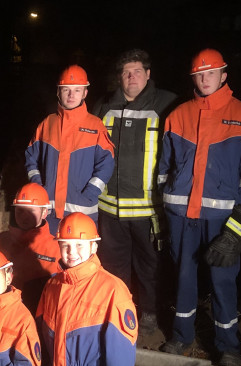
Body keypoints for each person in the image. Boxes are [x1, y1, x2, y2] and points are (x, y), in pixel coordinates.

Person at [158, 49, 241, 366]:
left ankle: (228, 345)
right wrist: (164, 206)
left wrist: (238, 230)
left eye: (211, 73)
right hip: (181, 217)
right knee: (183, 278)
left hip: (222, 219)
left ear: (223, 76)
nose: (204, 79)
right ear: (193, 78)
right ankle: (181, 336)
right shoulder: (178, 114)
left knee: (222, 282)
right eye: (199, 74)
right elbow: (164, 169)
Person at [36, 212, 148, 366]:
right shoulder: (53, 286)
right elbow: (44, 345)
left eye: (79, 245)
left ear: (94, 246)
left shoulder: (112, 289)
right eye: (65, 245)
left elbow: (120, 358)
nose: (72, 252)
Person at [93, 49, 178, 335]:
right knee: (112, 268)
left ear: (148, 74)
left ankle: (150, 316)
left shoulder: (167, 104)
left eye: (137, 71)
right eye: (127, 72)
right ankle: (118, 314)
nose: (132, 77)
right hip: (109, 208)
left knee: (149, 268)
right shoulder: (103, 106)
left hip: (147, 210)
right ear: (120, 77)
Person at [25, 65, 114, 233]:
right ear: (58, 92)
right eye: (66, 89)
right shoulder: (46, 124)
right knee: (46, 257)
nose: (71, 95)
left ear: (85, 93)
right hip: (47, 212)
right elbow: (31, 158)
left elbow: (106, 164)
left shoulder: (96, 126)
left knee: (79, 259)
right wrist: (38, 187)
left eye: (77, 90)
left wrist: (90, 193)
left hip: (82, 213)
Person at [0, 183, 61, 313]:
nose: (24, 216)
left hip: (35, 319)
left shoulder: (56, 249)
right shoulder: (0, 241)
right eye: (20, 210)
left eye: (31, 210)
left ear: (44, 212)